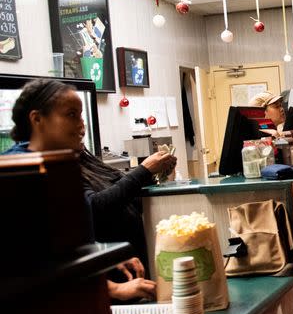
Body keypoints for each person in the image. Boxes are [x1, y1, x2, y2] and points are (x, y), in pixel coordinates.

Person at [4, 78, 176, 301]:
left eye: (81, 115)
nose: (81, 125)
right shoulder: (20, 174)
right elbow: (30, 262)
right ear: (37, 119)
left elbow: (65, 242)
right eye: (71, 115)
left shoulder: (58, 166)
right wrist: (113, 289)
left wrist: (102, 253)